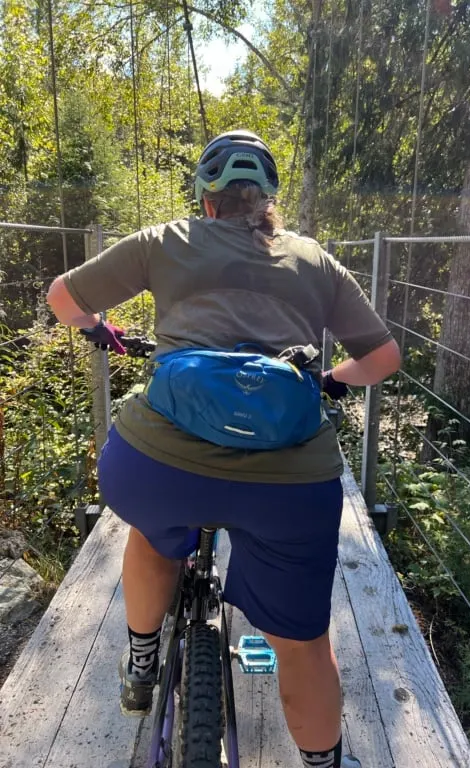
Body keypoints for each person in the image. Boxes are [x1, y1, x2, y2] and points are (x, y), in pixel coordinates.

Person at [47, 129, 401, 768]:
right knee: (303, 646)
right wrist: (328, 380)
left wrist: (103, 331)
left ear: (206, 199)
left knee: (154, 534)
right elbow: (382, 358)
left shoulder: (166, 240)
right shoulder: (316, 260)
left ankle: (142, 660)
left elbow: (62, 298)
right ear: (268, 199)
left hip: (159, 464)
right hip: (289, 482)